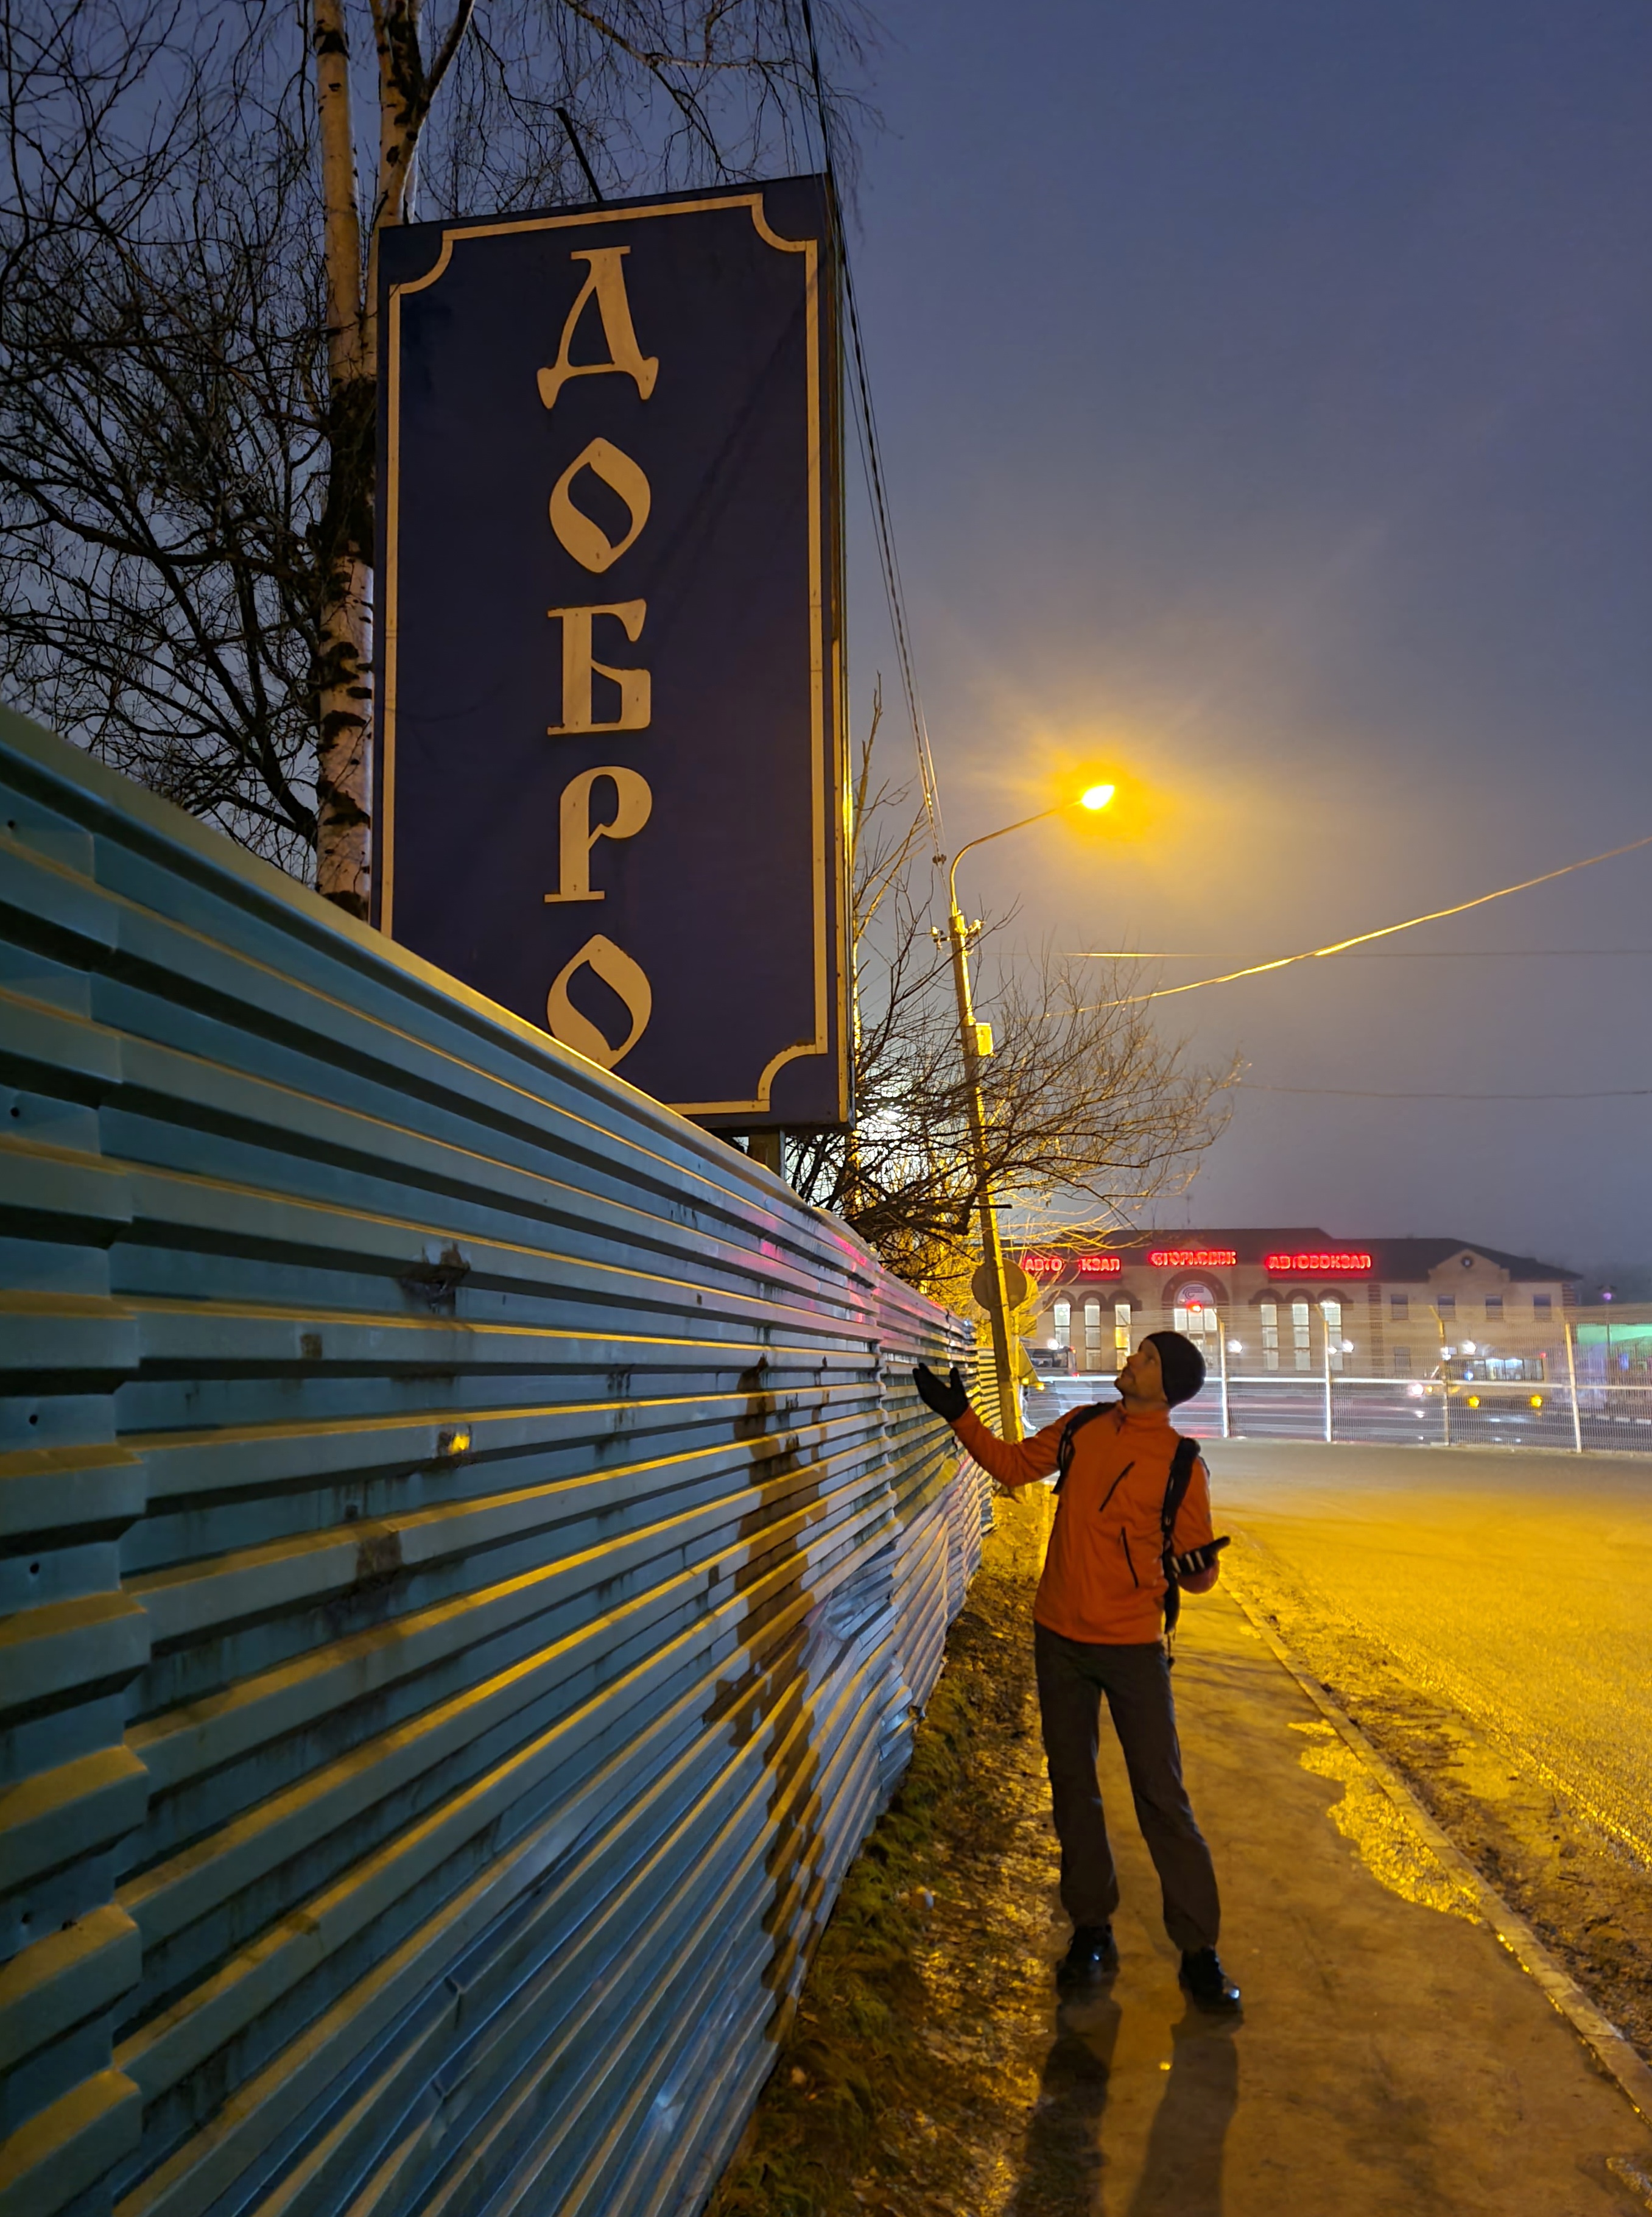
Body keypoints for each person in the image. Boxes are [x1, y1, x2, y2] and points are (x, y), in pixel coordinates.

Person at [913, 1330, 1241, 2009]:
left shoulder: (1182, 1464)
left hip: (1132, 1648)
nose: (1131, 1360)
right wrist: (959, 1415)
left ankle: (1198, 1950)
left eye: (1146, 1357)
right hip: (1058, 1635)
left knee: (1161, 1794)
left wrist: (1194, 1568)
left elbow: (1199, 1573)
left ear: (1166, 1385)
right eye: (1137, 1352)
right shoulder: (1082, 1427)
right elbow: (1012, 1467)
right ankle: (1091, 1928)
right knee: (1072, 1787)